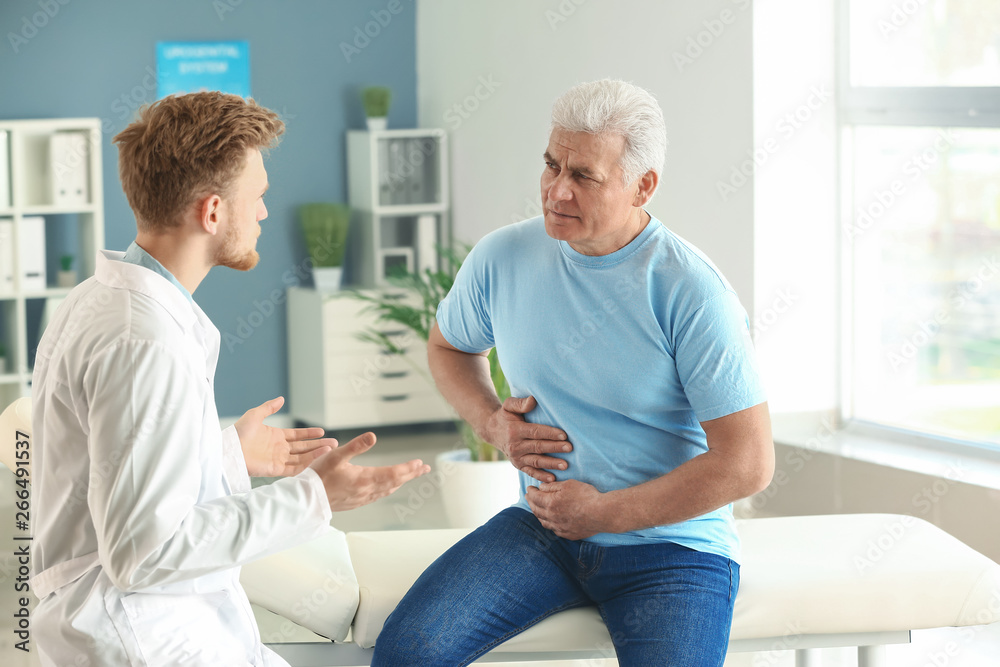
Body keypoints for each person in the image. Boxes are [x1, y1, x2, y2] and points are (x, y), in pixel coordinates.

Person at [371, 79, 774, 666]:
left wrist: (605, 513)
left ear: (643, 186)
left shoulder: (689, 290)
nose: (557, 190)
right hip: (542, 531)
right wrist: (491, 422)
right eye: (551, 165)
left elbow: (748, 463)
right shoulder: (502, 257)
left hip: (674, 550)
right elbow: (449, 347)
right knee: (408, 653)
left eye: (584, 176)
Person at [30, 91, 430, 666]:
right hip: (140, 635)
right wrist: (314, 497)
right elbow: (143, 552)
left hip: (132, 618)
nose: (265, 213)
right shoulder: (147, 342)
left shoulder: (97, 301)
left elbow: (109, 472)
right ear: (213, 212)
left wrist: (225, 457)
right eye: (258, 197)